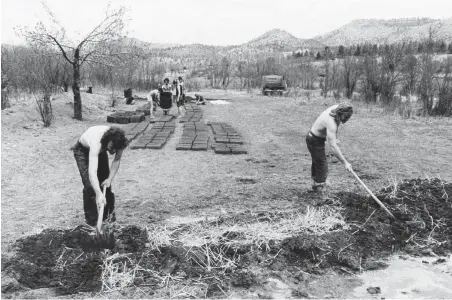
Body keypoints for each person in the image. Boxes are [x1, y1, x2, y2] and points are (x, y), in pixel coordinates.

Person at [72, 126, 129, 226]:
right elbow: (92, 173)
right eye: (112, 148)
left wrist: (109, 179)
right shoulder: (96, 143)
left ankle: (109, 218)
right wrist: (98, 194)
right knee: (90, 187)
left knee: (105, 184)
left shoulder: (120, 141)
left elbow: (116, 160)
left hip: (101, 150)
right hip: (82, 151)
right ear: (109, 141)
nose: (113, 152)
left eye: (116, 149)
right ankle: (92, 223)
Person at [306, 104, 353, 192]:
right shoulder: (331, 123)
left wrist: (334, 138)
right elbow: (333, 146)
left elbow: (336, 127)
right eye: (344, 118)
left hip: (316, 138)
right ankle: (319, 187)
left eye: (347, 118)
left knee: (318, 161)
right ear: (339, 114)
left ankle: (316, 182)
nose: (345, 121)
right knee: (322, 164)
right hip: (314, 140)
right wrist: (345, 163)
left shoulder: (336, 108)